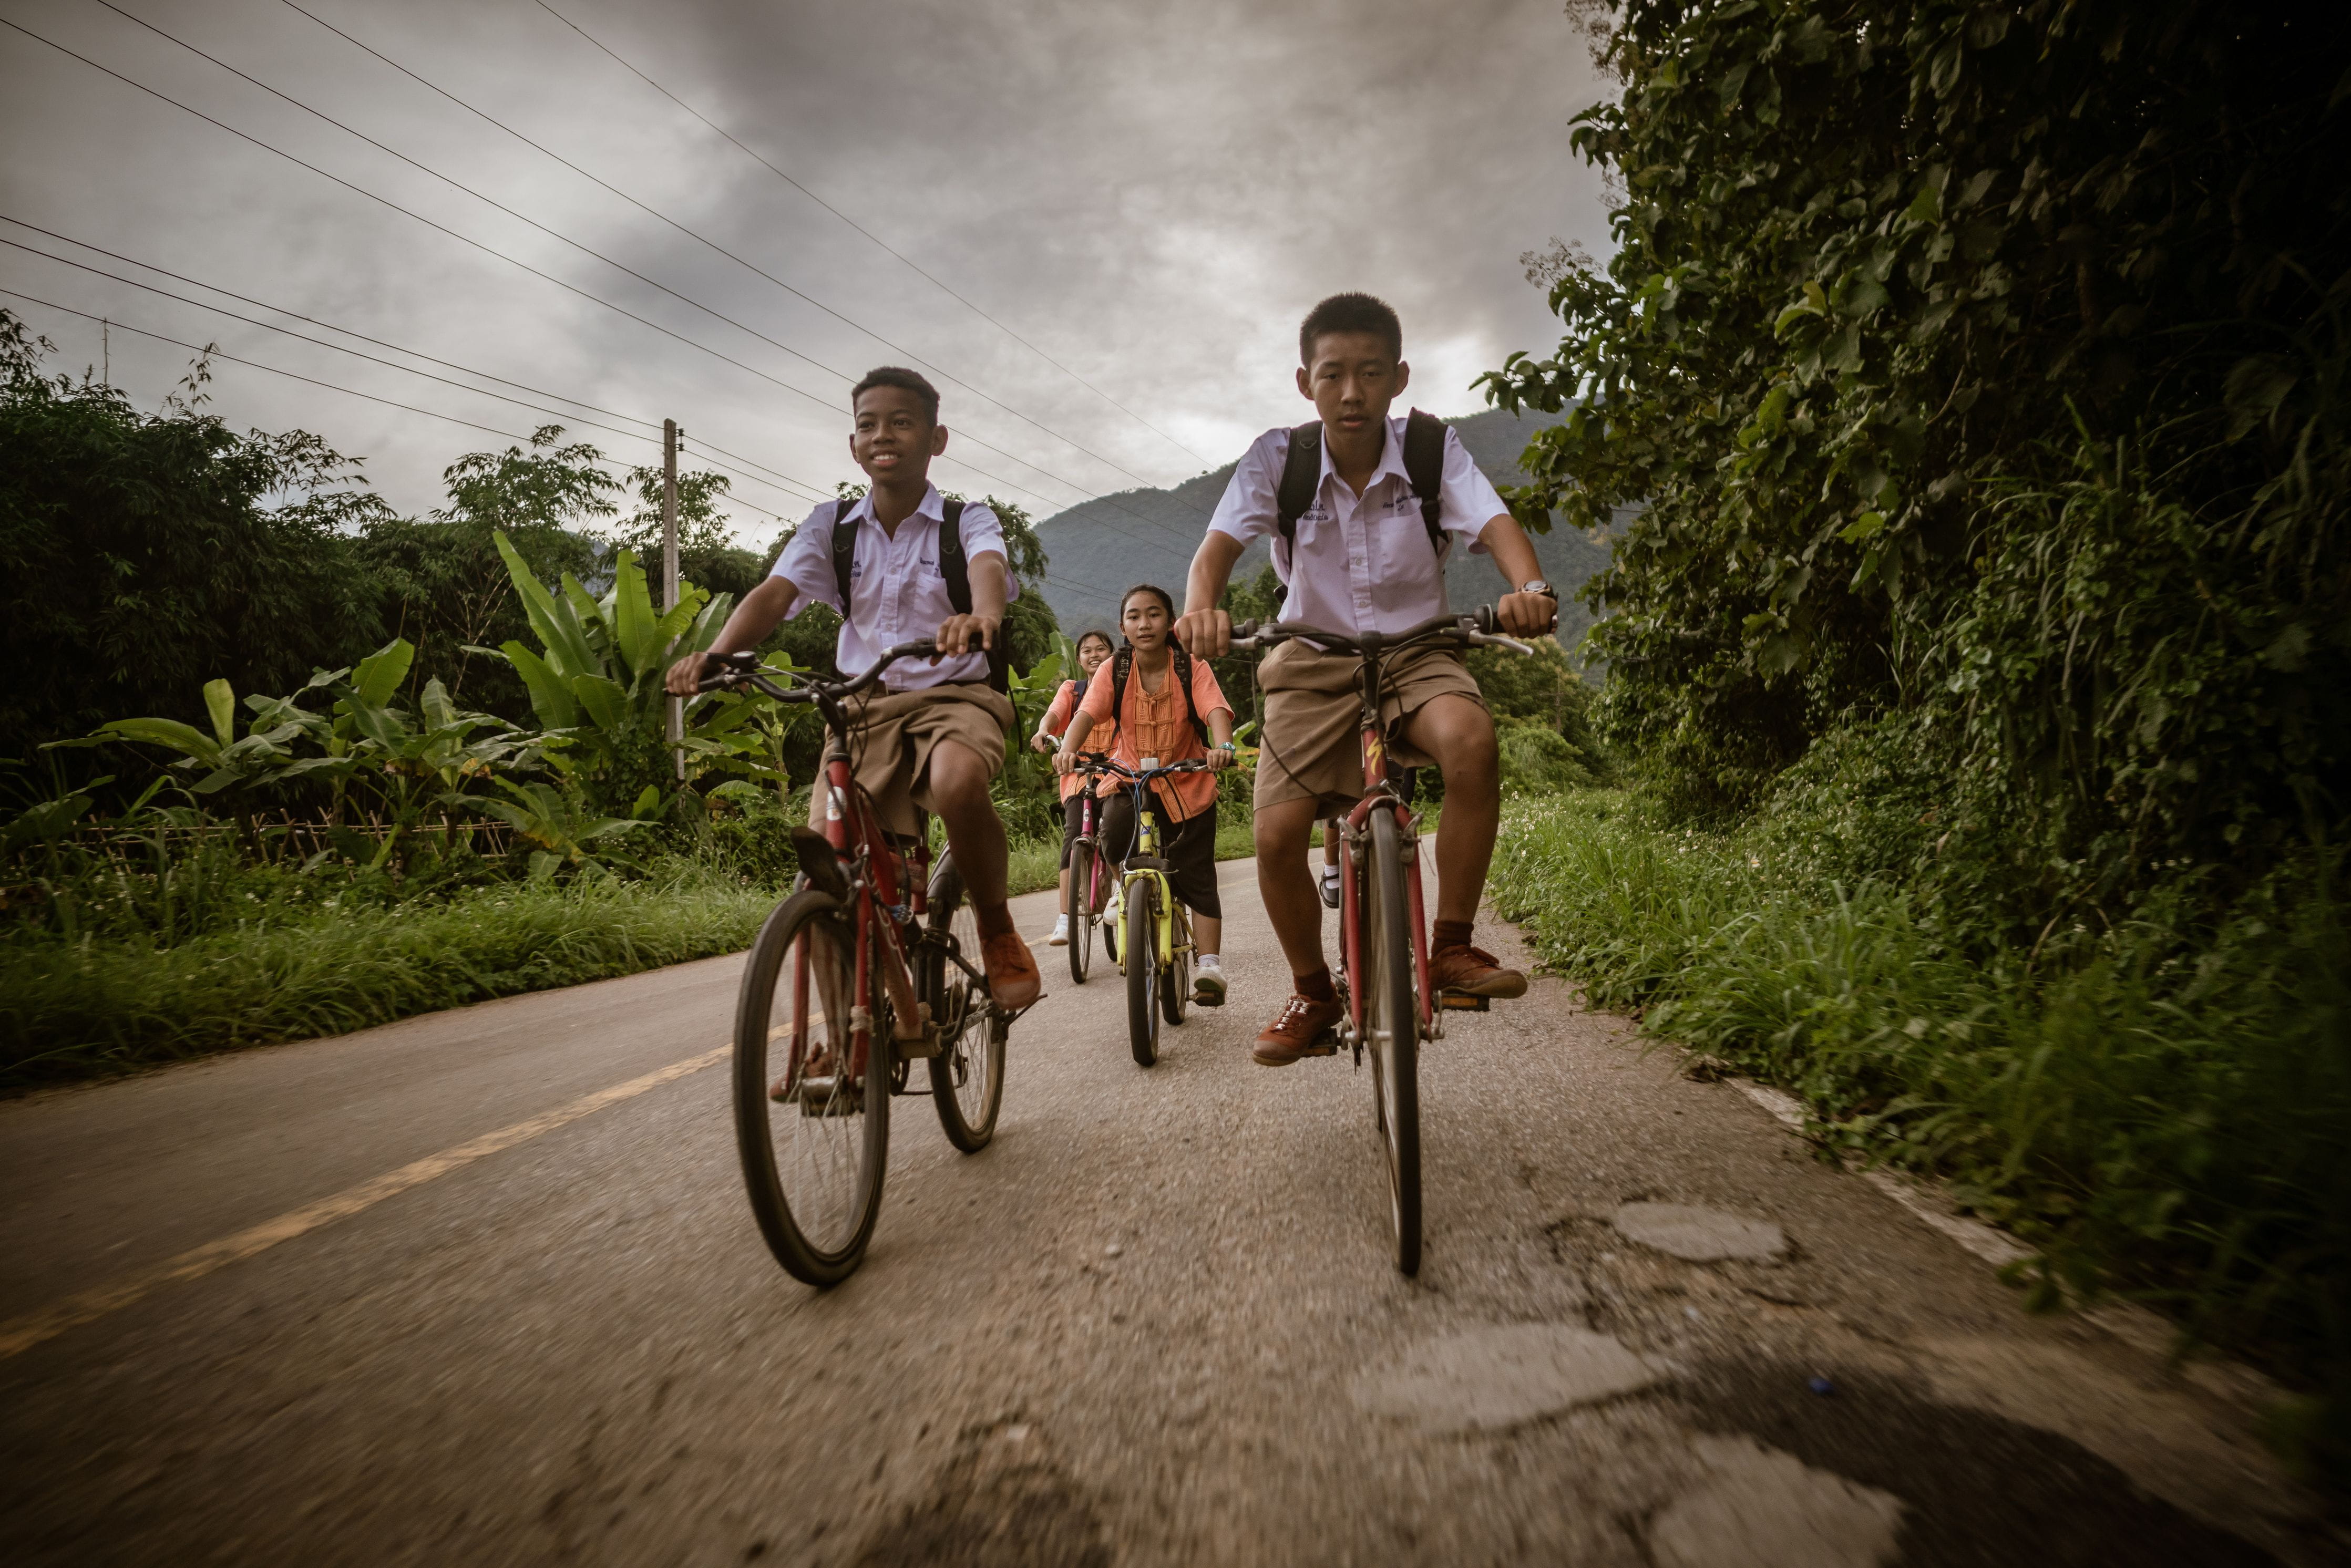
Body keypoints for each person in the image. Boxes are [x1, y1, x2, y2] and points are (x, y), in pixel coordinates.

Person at [1172, 292, 1557, 1065]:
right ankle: (1315, 992)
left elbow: (1493, 522)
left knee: (1471, 740)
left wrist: (1532, 589)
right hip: (1312, 662)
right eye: (1333, 375)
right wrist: (1201, 610)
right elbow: (1215, 550)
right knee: (1277, 834)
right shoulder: (1277, 459)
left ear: (1398, 377)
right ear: (1305, 382)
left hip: (1419, 651)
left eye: (1370, 373)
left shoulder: (1429, 450)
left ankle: (1450, 949)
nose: (1352, 392)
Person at [665, 366, 1042, 1012]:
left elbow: (989, 567)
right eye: (867, 424)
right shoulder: (831, 526)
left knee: (956, 782)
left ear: (936, 438)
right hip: (861, 706)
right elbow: (773, 594)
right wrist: (718, 654)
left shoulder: (966, 520)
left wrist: (984, 617)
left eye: (901, 421)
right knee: (830, 866)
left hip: (955, 697)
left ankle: (998, 928)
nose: (882, 435)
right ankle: (842, 1039)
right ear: (853, 444)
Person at [1053, 584, 1237, 1006]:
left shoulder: (1191, 665)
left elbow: (1214, 711)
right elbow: (1087, 712)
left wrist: (1222, 748)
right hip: (1129, 779)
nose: (1144, 624)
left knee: (1196, 871)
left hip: (1186, 780)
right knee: (1114, 836)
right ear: (1123, 626)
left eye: (1153, 614)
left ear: (1170, 622)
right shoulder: (1114, 669)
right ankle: (1128, 894)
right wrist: (1067, 749)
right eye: (1134, 616)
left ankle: (1209, 965)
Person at [1031, 627, 1116, 945]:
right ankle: (1065, 918)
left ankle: (1119, 889)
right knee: (1073, 837)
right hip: (1078, 772)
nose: (1094, 655)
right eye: (1087, 651)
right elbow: (1053, 715)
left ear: (1112, 653)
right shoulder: (1073, 689)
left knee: (1116, 827)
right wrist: (1043, 731)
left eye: (1101, 648)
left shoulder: (1121, 688)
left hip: (1116, 771)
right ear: (1079, 659)